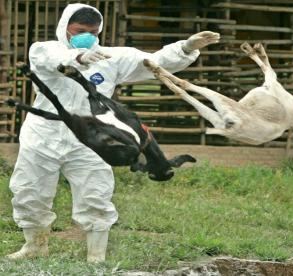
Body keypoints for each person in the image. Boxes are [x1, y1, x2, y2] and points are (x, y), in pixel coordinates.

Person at [6, 3, 219, 263]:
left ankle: (96, 257)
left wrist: (185, 48)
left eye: (94, 32)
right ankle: (35, 246)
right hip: (43, 135)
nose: (87, 36)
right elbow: (51, 58)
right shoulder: (44, 49)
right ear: (65, 29)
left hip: (92, 138)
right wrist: (79, 58)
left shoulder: (112, 58)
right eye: (80, 30)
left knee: (96, 193)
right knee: (29, 190)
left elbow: (155, 63)